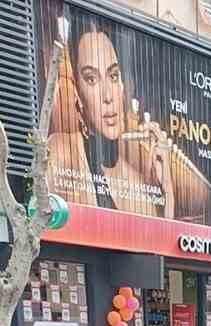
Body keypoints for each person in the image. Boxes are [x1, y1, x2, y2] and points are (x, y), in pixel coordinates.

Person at [48, 16, 177, 219]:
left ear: (124, 87)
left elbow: (160, 247)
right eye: (91, 79)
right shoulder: (60, 152)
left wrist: (167, 188)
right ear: (78, 93)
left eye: (113, 75)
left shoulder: (136, 185)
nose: (107, 96)